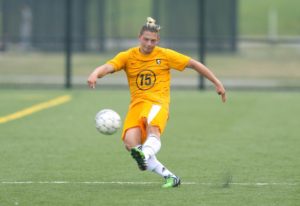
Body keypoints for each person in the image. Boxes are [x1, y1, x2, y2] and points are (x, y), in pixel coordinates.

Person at [87, 17, 226, 188]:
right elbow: (107, 67)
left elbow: (194, 64)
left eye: (153, 40)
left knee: (152, 129)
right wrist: (95, 73)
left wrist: (217, 83)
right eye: (146, 39)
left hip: (157, 102)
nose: (148, 44)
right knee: (130, 144)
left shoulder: (165, 55)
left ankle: (144, 157)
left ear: (157, 40)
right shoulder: (128, 56)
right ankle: (170, 177)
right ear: (139, 38)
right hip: (136, 106)